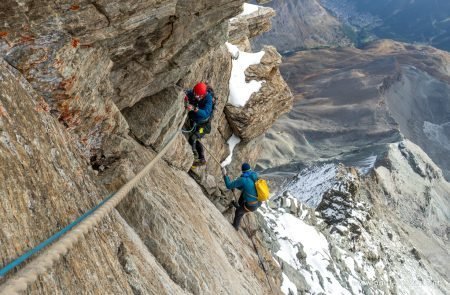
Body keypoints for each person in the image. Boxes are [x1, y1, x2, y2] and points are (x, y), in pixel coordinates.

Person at [222, 163, 261, 231]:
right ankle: (239, 206)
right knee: (241, 206)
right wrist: (235, 186)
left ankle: (235, 227)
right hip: (258, 202)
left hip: (251, 205)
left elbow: (228, 185)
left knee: (239, 211)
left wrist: (225, 175)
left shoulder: (243, 179)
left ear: (243, 171)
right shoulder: (253, 175)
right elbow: (247, 188)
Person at [184, 82, 213, 166]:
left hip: (203, 126)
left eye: (197, 95)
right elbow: (189, 93)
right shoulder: (195, 93)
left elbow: (205, 113)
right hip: (195, 121)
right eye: (195, 94)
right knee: (194, 137)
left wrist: (195, 109)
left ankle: (198, 158)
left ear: (203, 95)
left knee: (194, 137)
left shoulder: (208, 99)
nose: (195, 96)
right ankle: (199, 158)